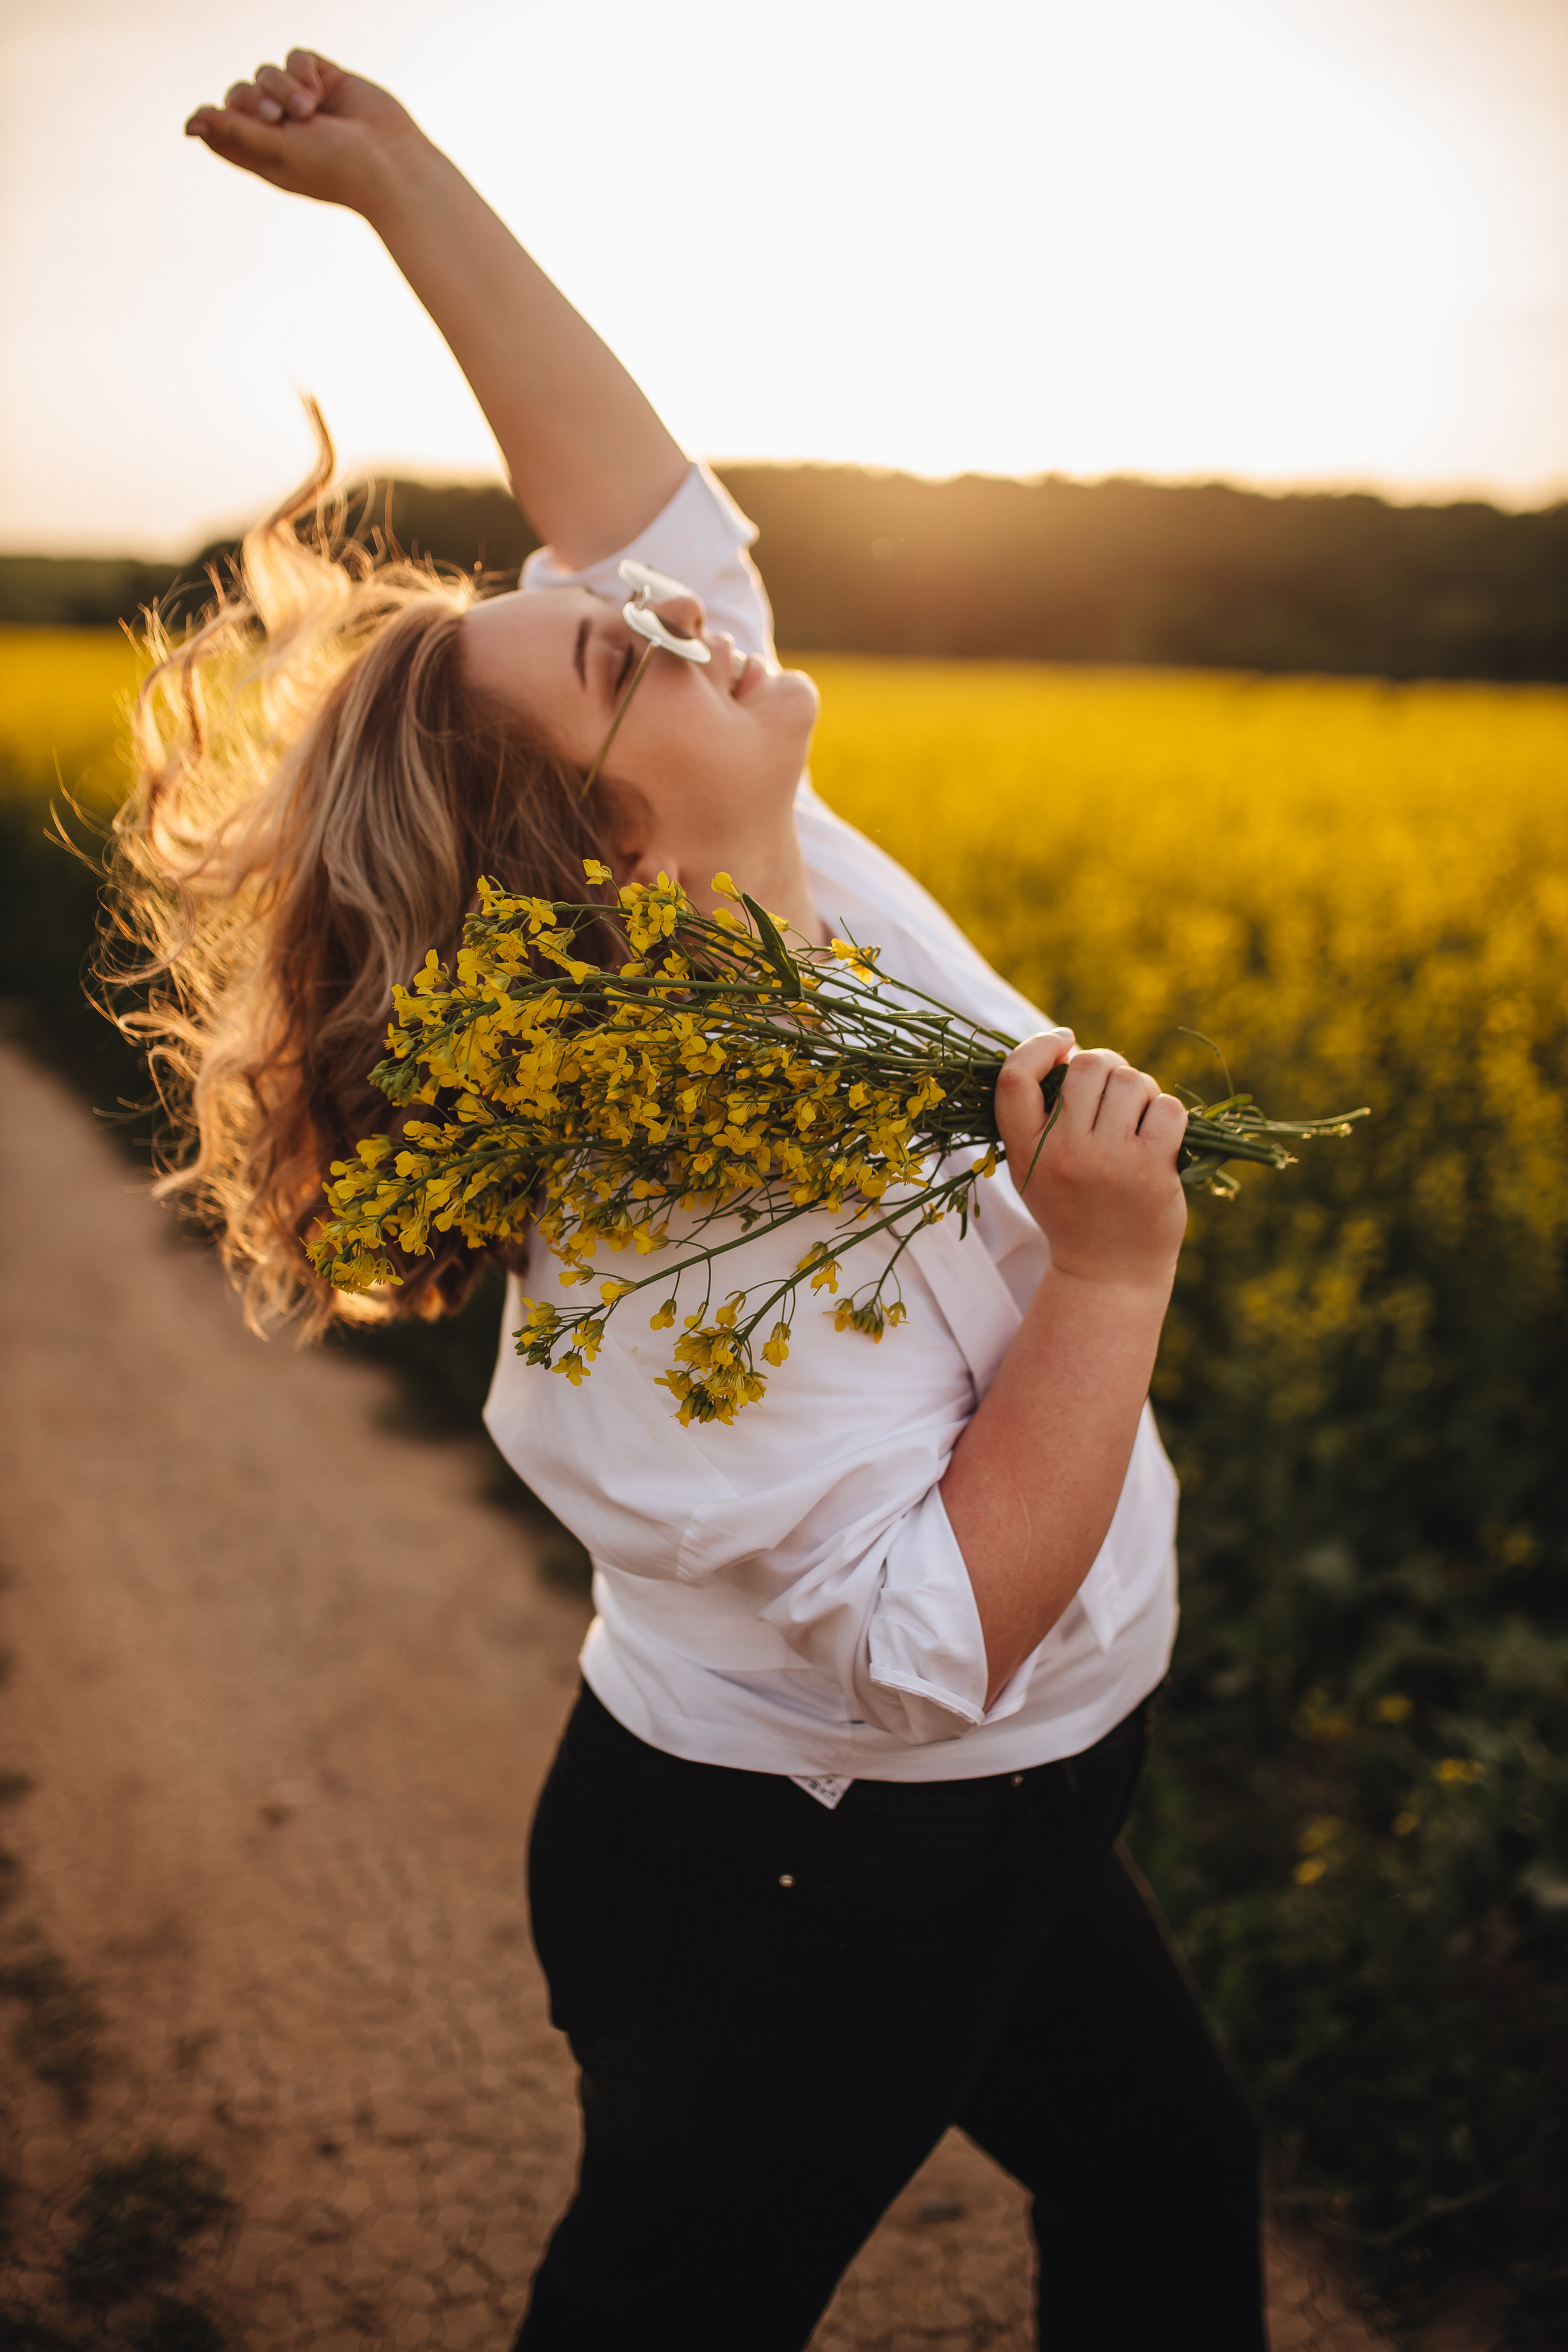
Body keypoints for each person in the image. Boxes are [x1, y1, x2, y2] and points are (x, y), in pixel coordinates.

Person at [161, 51, 1267, 2351]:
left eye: (638, 614)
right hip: (817, 1868)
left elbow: (641, 508)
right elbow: (930, 1633)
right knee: (684, 2301)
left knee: (1169, 2170)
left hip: (1009, 1793)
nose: (675, 620)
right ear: (606, 861)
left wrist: (393, 181)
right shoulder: (676, 1243)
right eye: (622, 654)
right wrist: (1115, 1271)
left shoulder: (788, 873)